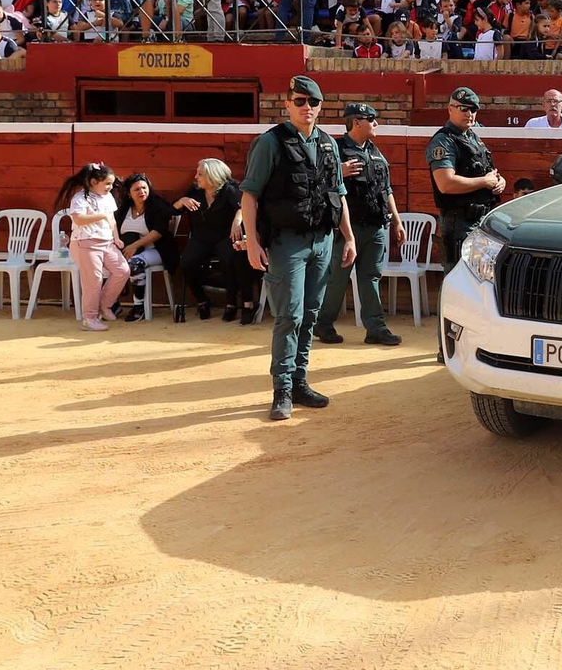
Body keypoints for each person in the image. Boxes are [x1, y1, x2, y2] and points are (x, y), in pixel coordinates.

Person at [239, 76, 356, 421]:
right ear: (287, 104)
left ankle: (300, 381)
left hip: (322, 239)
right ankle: (283, 389)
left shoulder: (329, 143)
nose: (307, 107)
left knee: (310, 314)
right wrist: (252, 242)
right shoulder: (270, 142)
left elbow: (338, 195)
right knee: (289, 315)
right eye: (300, 101)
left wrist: (349, 237)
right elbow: (250, 195)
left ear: (321, 106)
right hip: (286, 241)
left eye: (313, 102)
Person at [316, 103, 405, 347]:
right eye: (371, 119)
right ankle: (323, 324)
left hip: (375, 225)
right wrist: (338, 171)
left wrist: (397, 221)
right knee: (337, 278)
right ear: (356, 122)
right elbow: (316, 180)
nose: (376, 124)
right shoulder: (336, 149)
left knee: (371, 277)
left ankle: (376, 328)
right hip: (347, 228)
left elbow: (386, 189)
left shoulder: (376, 152)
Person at [428, 86, 506, 361]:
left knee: (480, 285)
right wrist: (484, 182)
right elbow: (446, 183)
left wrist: (498, 182)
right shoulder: (444, 141)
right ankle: (446, 348)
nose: (469, 113)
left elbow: (489, 173)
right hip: (458, 222)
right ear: (450, 109)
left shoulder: (473, 137)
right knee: (456, 284)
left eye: (473, 109)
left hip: (481, 221)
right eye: (463, 108)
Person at [173, 158, 253, 321]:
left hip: (223, 236)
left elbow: (242, 207)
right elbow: (172, 212)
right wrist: (182, 201)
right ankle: (202, 299)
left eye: (200, 174)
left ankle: (231, 302)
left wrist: (237, 221)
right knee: (187, 263)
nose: (196, 177)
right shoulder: (195, 191)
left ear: (212, 176)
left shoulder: (228, 190)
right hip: (200, 238)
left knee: (228, 259)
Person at [58, 162, 130, 332]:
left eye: (111, 183)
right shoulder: (80, 198)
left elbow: (111, 219)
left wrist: (116, 238)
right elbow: (78, 219)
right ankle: (89, 318)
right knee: (93, 282)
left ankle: (105, 305)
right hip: (86, 243)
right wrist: (101, 216)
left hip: (107, 242)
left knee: (122, 270)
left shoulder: (108, 197)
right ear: (93, 182)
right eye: (107, 183)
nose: (110, 187)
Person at [114, 173, 180, 323]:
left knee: (135, 264)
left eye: (144, 188)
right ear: (129, 193)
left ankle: (139, 307)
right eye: (137, 189)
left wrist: (134, 246)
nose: (142, 191)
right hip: (129, 249)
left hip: (157, 249)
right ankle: (113, 304)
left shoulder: (158, 206)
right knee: (107, 260)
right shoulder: (124, 209)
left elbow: (158, 232)